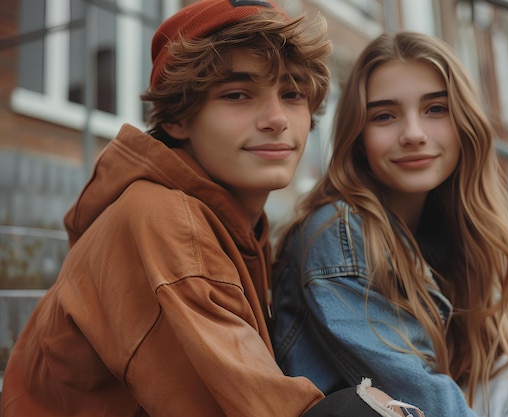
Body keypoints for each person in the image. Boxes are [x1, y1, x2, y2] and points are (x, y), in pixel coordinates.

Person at [0, 2, 420, 416]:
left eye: (292, 94)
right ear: (178, 119)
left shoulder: (232, 222)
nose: (277, 119)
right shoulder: (166, 218)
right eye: (237, 94)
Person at [271, 31, 508, 417]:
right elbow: (420, 396)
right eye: (384, 116)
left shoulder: (444, 229)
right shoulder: (337, 232)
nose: (412, 134)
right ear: (358, 136)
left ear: (465, 125)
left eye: (436, 109)